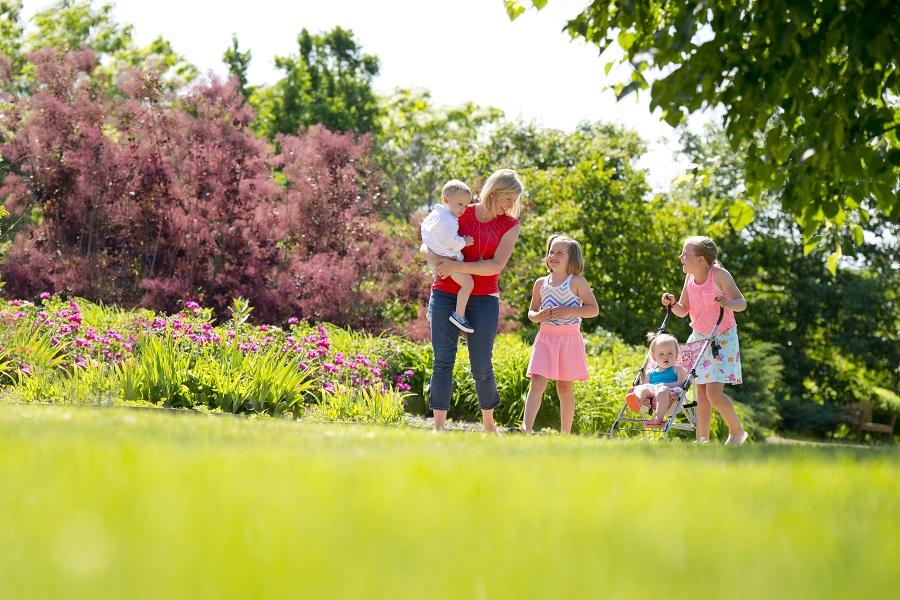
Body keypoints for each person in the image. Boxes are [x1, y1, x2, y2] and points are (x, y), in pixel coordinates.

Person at [423, 168, 524, 433]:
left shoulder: (510, 225)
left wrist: (458, 268)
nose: (511, 206)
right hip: (445, 292)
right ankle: (438, 428)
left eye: (514, 200)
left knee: (481, 364)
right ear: (495, 192)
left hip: (484, 298)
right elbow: (426, 244)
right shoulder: (459, 210)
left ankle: (489, 427)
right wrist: (436, 261)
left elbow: (495, 266)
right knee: (442, 360)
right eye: (509, 198)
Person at [661, 235, 748, 445]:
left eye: (685, 254)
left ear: (701, 259)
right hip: (699, 340)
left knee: (714, 394)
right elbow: (683, 311)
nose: (681, 257)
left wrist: (728, 303)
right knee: (700, 394)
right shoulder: (689, 278)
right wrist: (671, 303)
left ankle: (737, 433)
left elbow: (741, 303)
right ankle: (703, 441)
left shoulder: (719, 275)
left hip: (721, 340)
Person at [520, 234, 599, 435]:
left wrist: (569, 310)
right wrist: (539, 316)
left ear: (571, 259)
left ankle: (565, 434)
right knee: (537, 382)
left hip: (569, 340)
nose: (553, 255)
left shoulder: (577, 281)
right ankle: (526, 429)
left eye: (559, 253)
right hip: (546, 339)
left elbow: (593, 309)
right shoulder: (540, 283)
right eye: (551, 252)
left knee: (564, 388)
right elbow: (531, 313)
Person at [420, 180, 476, 332]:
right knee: (468, 284)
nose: (463, 209)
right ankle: (459, 315)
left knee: (436, 279)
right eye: (460, 204)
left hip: (434, 257)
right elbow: (451, 241)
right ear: (446, 199)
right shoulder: (450, 221)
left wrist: (432, 247)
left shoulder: (434, 214)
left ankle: (432, 311)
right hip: (448, 260)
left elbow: (424, 230)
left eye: (465, 205)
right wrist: (464, 242)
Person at [625, 332, 688, 428]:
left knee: (662, 390)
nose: (666, 356)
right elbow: (645, 385)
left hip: (669, 393)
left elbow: (683, 383)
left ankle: (658, 418)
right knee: (641, 389)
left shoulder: (677, 369)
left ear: (676, 355)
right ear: (654, 357)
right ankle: (636, 399)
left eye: (670, 353)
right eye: (661, 354)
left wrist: (665, 385)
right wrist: (636, 389)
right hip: (652, 393)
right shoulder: (650, 372)